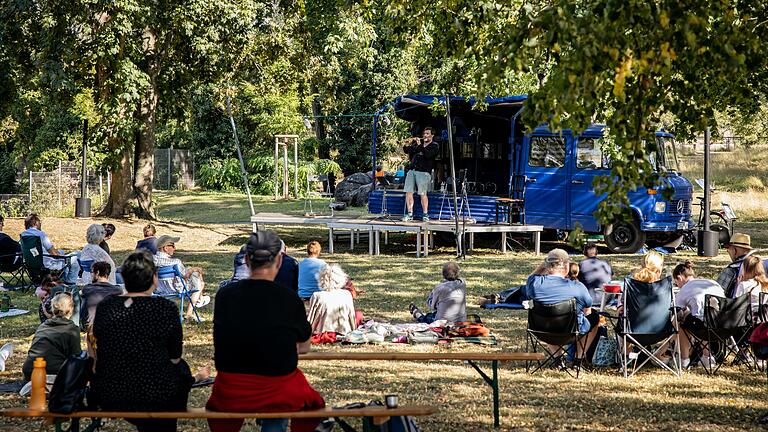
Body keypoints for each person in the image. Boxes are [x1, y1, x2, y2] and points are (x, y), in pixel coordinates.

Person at [206, 230, 325, 432]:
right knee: (307, 403)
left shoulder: (225, 295)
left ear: (246, 259)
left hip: (231, 387)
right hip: (277, 386)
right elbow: (304, 347)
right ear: (279, 261)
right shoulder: (289, 299)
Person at [92, 251, 194, 432]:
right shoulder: (164, 308)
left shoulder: (106, 306)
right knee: (180, 370)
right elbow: (175, 356)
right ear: (154, 278)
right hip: (154, 393)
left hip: (111, 389)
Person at [524, 249, 600, 359]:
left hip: (541, 331)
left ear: (546, 265)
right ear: (566, 266)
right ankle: (579, 358)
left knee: (549, 318)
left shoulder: (533, 283)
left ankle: (557, 358)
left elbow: (533, 275)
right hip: (570, 333)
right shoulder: (577, 287)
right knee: (594, 317)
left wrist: (546, 263)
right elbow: (587, 309)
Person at [673, 261, 725, 368]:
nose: (677, 286)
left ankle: (685, 359)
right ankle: (707, 357)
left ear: (680, 278)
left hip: (703, 327)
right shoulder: (712, 282)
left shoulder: (685, 289)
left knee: (680, 321)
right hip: (724, 325)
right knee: (702, 317)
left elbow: (677, 311)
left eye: (676, 283)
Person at [22, 292, 80, 380]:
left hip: (30, 370)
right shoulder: (72, 329)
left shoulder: (42, 326)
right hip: (53, 372)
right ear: (71, 309)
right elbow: (76, 357)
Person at [154, 235, 210, 319]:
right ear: (165, 248)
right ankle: (190, 312)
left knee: (194, 273)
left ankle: (201, 299)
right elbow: (185, 275)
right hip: (176, 289)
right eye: (172, 245)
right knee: (198, 280)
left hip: (158, 290)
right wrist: (194, 270)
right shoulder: (175, 262)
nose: (174, 248)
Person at [20, 213, 79, 284]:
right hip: (47, 263)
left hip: (32, 264)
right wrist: (64, 257)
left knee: (62, 252)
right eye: (40, 222)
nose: (40, 224)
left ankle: (62, 279)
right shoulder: (40, 234)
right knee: (75, 258)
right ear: (36, 223)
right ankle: (70, 283)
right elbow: (53, 253)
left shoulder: (23, 235)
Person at [307, 264, 358, 335]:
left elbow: (310, 319)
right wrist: (353, 331)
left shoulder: (317, 296)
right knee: (358, 315)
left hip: (322, 331)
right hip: (344, 331)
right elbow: (351, 318)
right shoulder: (347, 294)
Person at [402, 126, 439, 222]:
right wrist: (405, 145)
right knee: (408, 192)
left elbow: (428, 155)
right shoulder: (418, 145)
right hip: (412, 171)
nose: (425, 135)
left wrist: (419, 145)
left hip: (424, 172)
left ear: (432, 135)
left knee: (422, 193)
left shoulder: (434, 145)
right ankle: (410, 214)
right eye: (424, 134)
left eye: (427, 133)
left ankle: (425, 214)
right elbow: (407, 151)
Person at [81, 261, 124, 327]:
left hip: (90, 325)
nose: (91, 274)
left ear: (97, 273)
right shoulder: (117, 290)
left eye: (92, 272)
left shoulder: (88, 288)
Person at [717, 233, 754, 298]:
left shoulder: (731, 269)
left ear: (735, 250)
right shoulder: (758, 266)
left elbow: (716, 292)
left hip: (734, 306)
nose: (727, 251)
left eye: (729, 248)